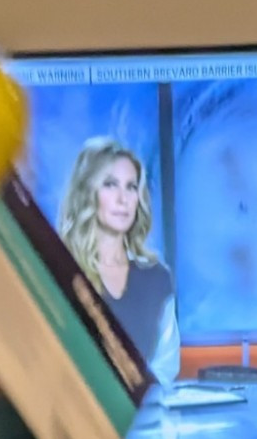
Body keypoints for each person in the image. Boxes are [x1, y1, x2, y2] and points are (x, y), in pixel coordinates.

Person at [58, 138, 180, 387]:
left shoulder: (156, 278)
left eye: (131, 187)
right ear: (88, 193)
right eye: (111, 185)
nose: (123, 199)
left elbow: (165, 367)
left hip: (140, 417)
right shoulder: (62, 272)